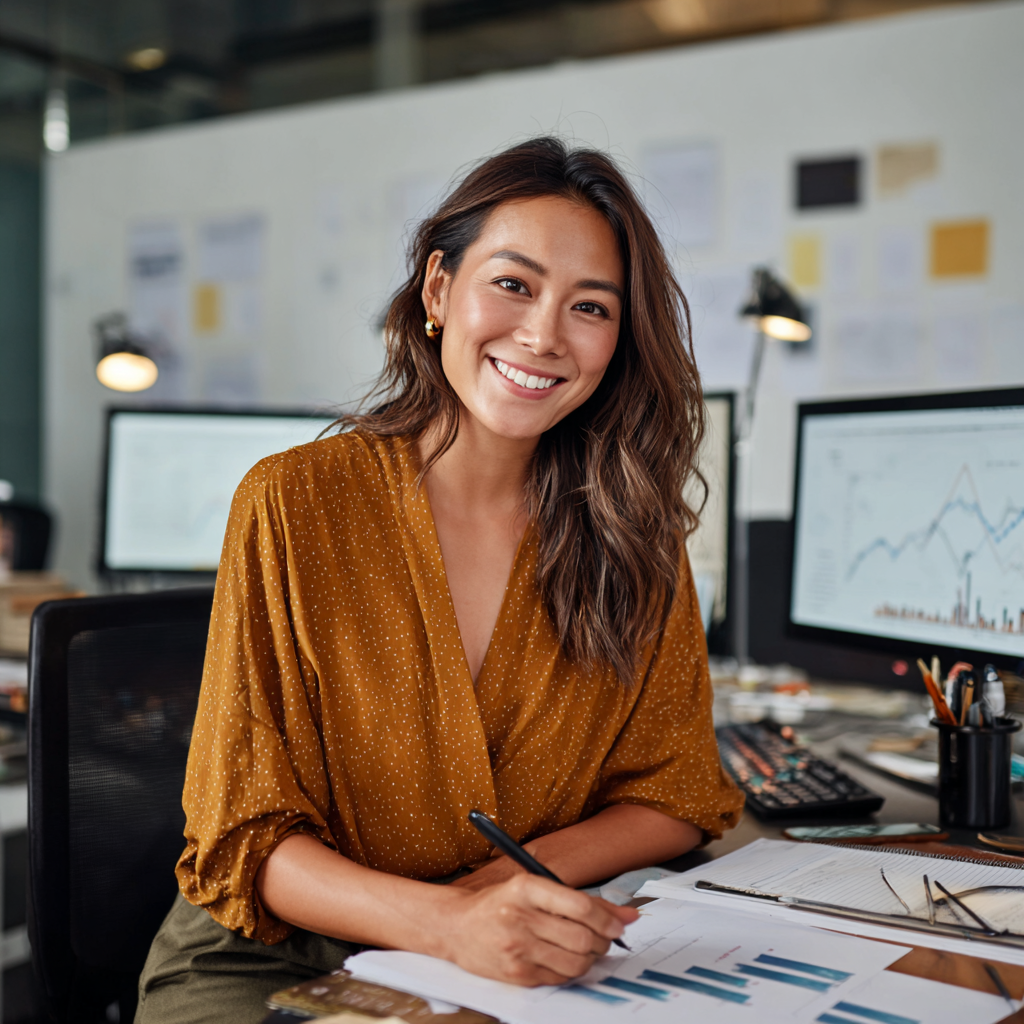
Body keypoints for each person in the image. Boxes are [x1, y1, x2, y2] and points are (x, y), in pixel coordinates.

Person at [136, 136, 743, 1023]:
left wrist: (506, 886)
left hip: (513, 940)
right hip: (266, 955)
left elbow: (676, 793)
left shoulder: (635, 532)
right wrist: (453, 922)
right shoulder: (296, 500)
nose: (542, 333)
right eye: (513, 283)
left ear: (618, 340)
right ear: (438, 290)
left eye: (591, 307)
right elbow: (246, 839)